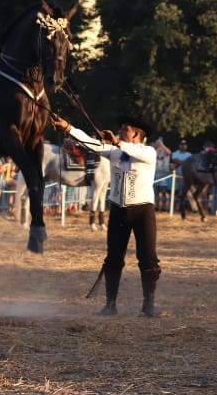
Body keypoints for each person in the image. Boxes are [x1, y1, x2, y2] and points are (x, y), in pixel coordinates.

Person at [51, 113, 161, 317]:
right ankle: (110, 305)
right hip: (119, 210)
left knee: (147, 258)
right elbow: (90, 142)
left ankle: (148, 305)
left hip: (143, 211)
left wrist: (118, 142)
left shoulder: (149, 152)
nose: (119, 131)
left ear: (136, 133)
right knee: (113, 259)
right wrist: (68, 127)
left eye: (124, 128)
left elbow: (133, 150)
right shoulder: (114, 151)